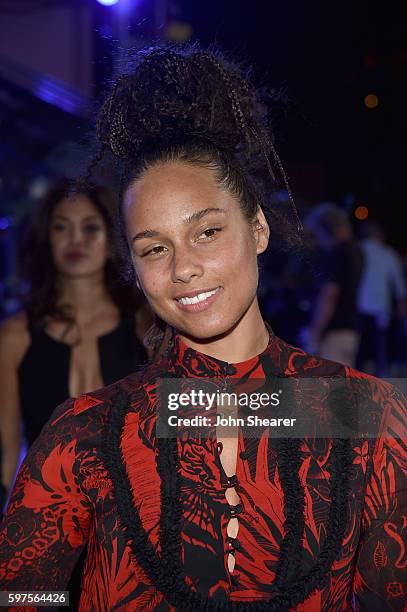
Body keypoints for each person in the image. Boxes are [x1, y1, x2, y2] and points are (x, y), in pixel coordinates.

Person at [0, 46, 406, 611]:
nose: (182, 267)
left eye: (207, 232)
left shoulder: (363, 412)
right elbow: (22, 596)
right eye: (154, 248)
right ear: (135, 270)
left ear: (258, 228)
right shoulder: (87, 434)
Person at [0, 180, 152, 500]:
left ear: (112, 236)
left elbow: (186, 425)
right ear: (46, 237)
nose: (75, 239)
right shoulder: (14, 337)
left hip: (134, 519)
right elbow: (6, 457)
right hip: (49, 521)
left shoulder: (147, 325)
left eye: (90, 227)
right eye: (61, 227)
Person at [302, 203, 364, 367]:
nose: (317, 242)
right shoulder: (357, 251)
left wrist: (314, 334)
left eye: (317, 235)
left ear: (326, 229)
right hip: (351, 331)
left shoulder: (335, 253)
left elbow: (329, 295)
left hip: (334, 332)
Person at [357, 220, 407, 376]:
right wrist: (402, 314)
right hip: (381, 309)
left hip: (358, 306)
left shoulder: (358, 250)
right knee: (380, 349)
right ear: (381, 235)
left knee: (359, 351)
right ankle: (381, 388)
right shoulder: (389, 254)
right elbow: (400, 288)